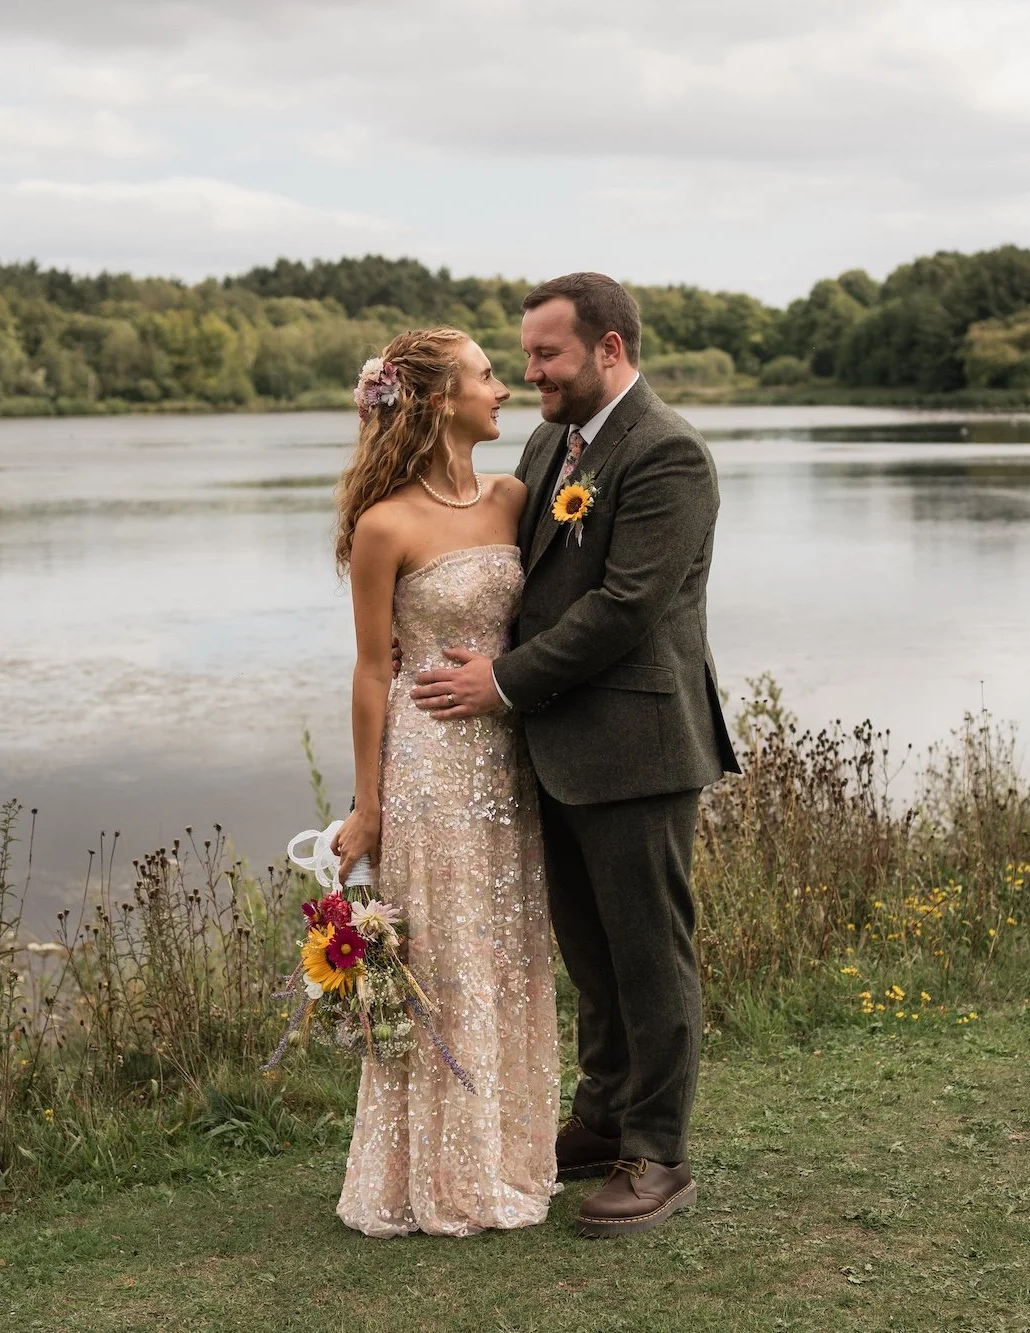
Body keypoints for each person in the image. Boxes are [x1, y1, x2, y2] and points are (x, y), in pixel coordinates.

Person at [409, 273, 739, 1237]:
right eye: (526, 356)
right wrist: (421, 628)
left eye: (547, 354)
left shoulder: (669, 453)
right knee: (592, 954)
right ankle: (599, 1121)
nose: (530, 372)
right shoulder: (553, 439)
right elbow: (524, 574)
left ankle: (658, 1153)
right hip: (556, 746)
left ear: (609, 349)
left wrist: (501, 682)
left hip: (638, 744)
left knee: (649, 956)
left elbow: (626, 607)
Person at [328, 327, 559, 1237]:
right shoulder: (386, 523)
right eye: (487, 375)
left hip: (509, 762)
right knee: (446, 959)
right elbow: (371, 671)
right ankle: (434, 1173)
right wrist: (367, 806)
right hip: (428, 769)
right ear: (434, 399)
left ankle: (509, 1155)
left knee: (507, 953)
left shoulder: (517, 498)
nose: (503, 388)